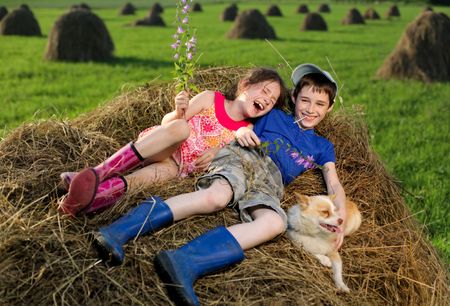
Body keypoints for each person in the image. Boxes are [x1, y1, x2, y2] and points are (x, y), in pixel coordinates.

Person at [92, 63, 347, 305]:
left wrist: (341, 216)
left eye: (320, 104)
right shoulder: (274, 116)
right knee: (216, 197)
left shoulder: (323, 147)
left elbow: (333, 183)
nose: (310, 109)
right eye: (305, 100)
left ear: (329, 107)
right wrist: (240, 133)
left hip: (270, 184)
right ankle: (120, 230)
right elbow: (240, 118)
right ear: (294, 99)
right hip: (245, 158)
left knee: (275, 223)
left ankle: (184, 262)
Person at [58, 67, 289, 217]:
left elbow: (229, 164)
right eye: (265, 91)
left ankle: (80, 202)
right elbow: (167, 123)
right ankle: (99, 172)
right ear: (246, 85)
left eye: (272, 100)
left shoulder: (245, 131)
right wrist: (179, 112)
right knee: (180, 127)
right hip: (162, 145)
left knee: (149, 178)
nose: (267, 100)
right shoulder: (211, 98)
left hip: (177, 167)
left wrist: (216, 153)